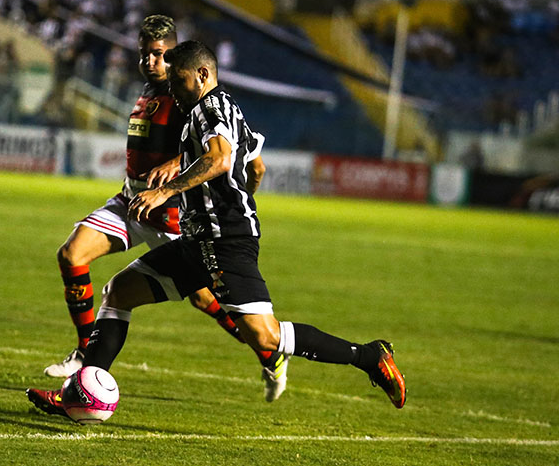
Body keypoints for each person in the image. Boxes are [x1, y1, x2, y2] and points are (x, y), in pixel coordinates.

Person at [27, 40, 407, 417]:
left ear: (203, 74)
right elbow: (256, 167)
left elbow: (221, 158)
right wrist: (236, 199)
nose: (173, 89)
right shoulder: (224, 108)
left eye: (178, 80)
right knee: (119, 292)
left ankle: (369, 357)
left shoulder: (209, 109)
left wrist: (168, 192)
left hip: (225, 241)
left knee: (265, 336)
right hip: (198, 240)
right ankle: (79, 393)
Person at [45, 16, 289, 402]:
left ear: (174, 55)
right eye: (144, 53)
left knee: (206, 298)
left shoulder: (189, 96)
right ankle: (84, 353)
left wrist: (176, 167)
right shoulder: (148, 91)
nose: (150, 61)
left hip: (171, 210)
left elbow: (219, 146)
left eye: (159, 54)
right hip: (132, 202)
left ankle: (268, 352)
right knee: (72, 254)